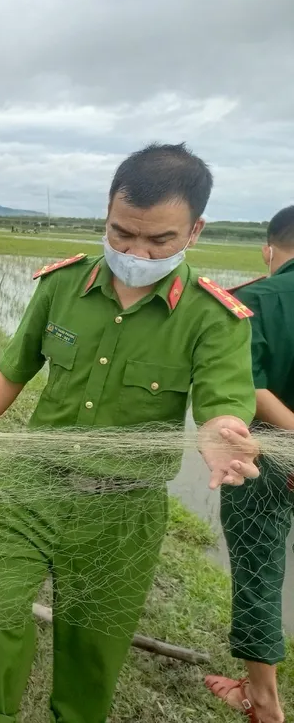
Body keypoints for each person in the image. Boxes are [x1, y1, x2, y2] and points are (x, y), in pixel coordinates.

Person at [0, 142, 261, 723]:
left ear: (195, 230)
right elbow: (13, 367)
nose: (136, 251)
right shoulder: (62, 285)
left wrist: (223, 432)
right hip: (32, 485)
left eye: (159, 240)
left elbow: (223, 400)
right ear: (107, 214)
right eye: (121, 233)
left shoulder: (213, 318)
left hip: (122, 508)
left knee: (92, 644)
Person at [204, 205, 294, 723]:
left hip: (260, 458)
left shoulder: (251, 299)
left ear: (269, 249)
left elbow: (251, 387)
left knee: (260, 570)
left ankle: (262, 701)